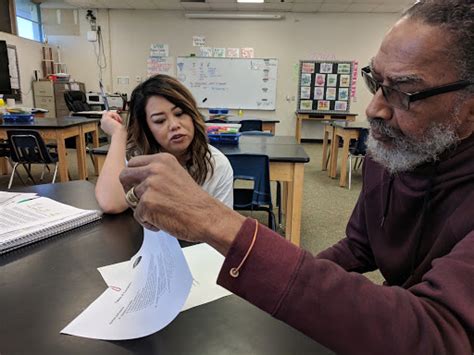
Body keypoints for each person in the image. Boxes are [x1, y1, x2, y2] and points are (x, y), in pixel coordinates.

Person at [119, 1, 474, 353]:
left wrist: (219, 224)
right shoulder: (392, 153)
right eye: (375, 81)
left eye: (404, 92)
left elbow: (439, 334)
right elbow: (359, 246)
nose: (373, 109)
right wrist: (271, 281)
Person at [95, 74, 234, 214]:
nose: (174, 125)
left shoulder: (215, 164)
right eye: (160, 120)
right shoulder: (138, 157)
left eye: (179, 113)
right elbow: (110, 203)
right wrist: (119, 134)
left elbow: (224, 228)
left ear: (192, 114)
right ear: (147, 128)